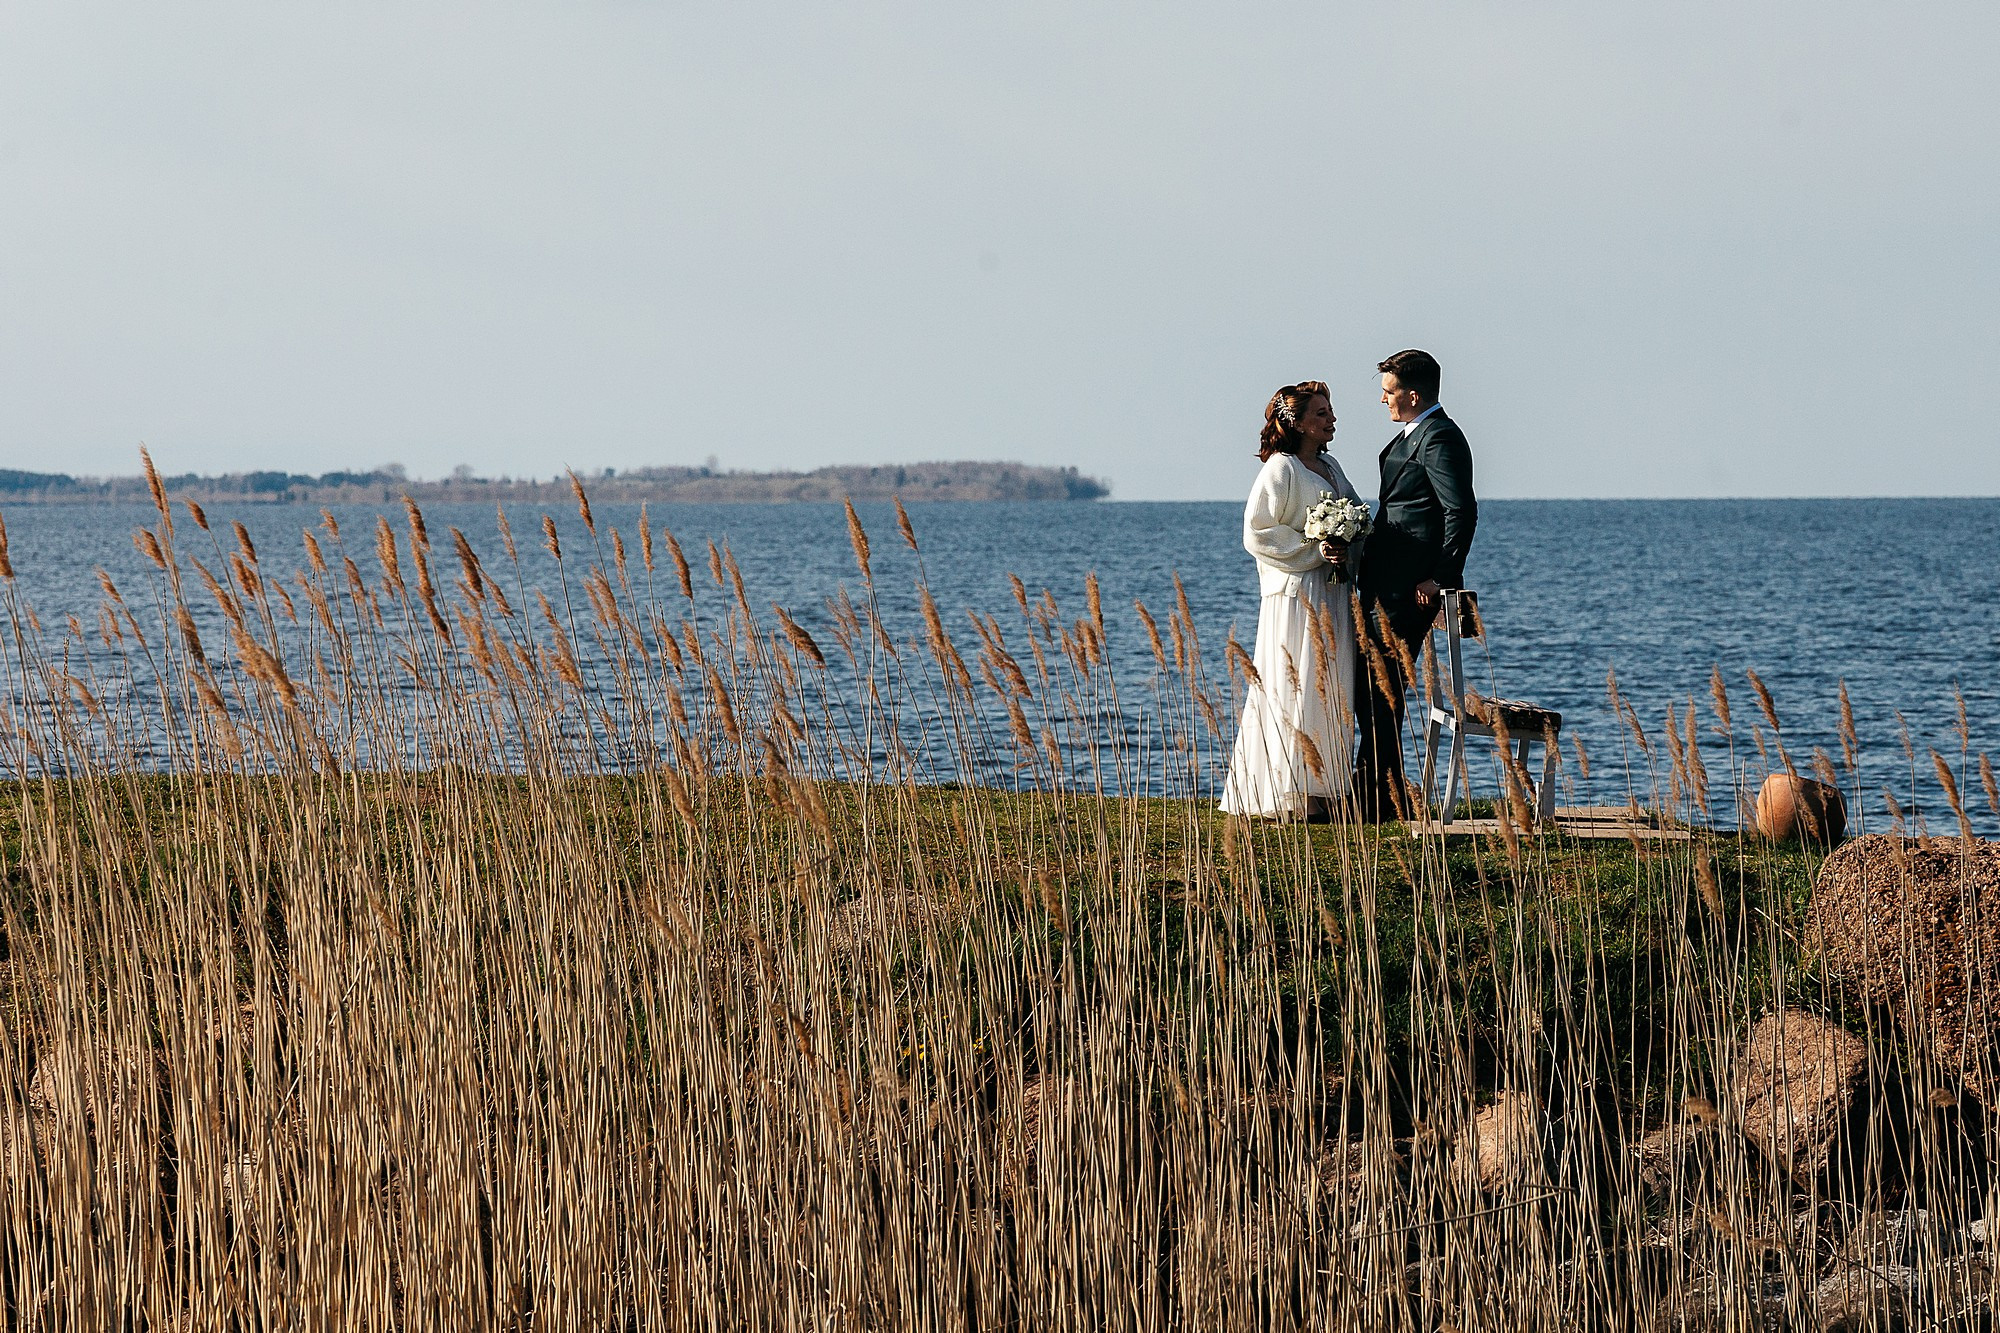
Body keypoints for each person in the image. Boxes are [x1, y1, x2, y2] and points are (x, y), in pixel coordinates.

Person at [1220, 382, 1363, 822]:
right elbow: (1258, 532)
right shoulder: (1281, 469)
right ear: (1297, 423)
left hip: (1333, 591)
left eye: (1330, 411)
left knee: (1329, 686)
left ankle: (1324, 785)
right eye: (1321, 413)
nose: (1331, 419)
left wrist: (1346, 543)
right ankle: (1293, 790)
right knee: (1294, 683)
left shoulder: (1331, 466)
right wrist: (1313, 548)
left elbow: (1357, 516)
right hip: (1298, 595)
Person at [1354, 349, 1477, 822]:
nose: (1383, 400)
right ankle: (1376, 792)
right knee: (1373, 688)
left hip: (1410, 588)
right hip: (1386, 581)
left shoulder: (1439, 437)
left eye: (1388, 392)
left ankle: (1378, 798)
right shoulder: (1415, 434)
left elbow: (1460, 511)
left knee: (1380, 687)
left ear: (1413, 395)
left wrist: (1441, 576)